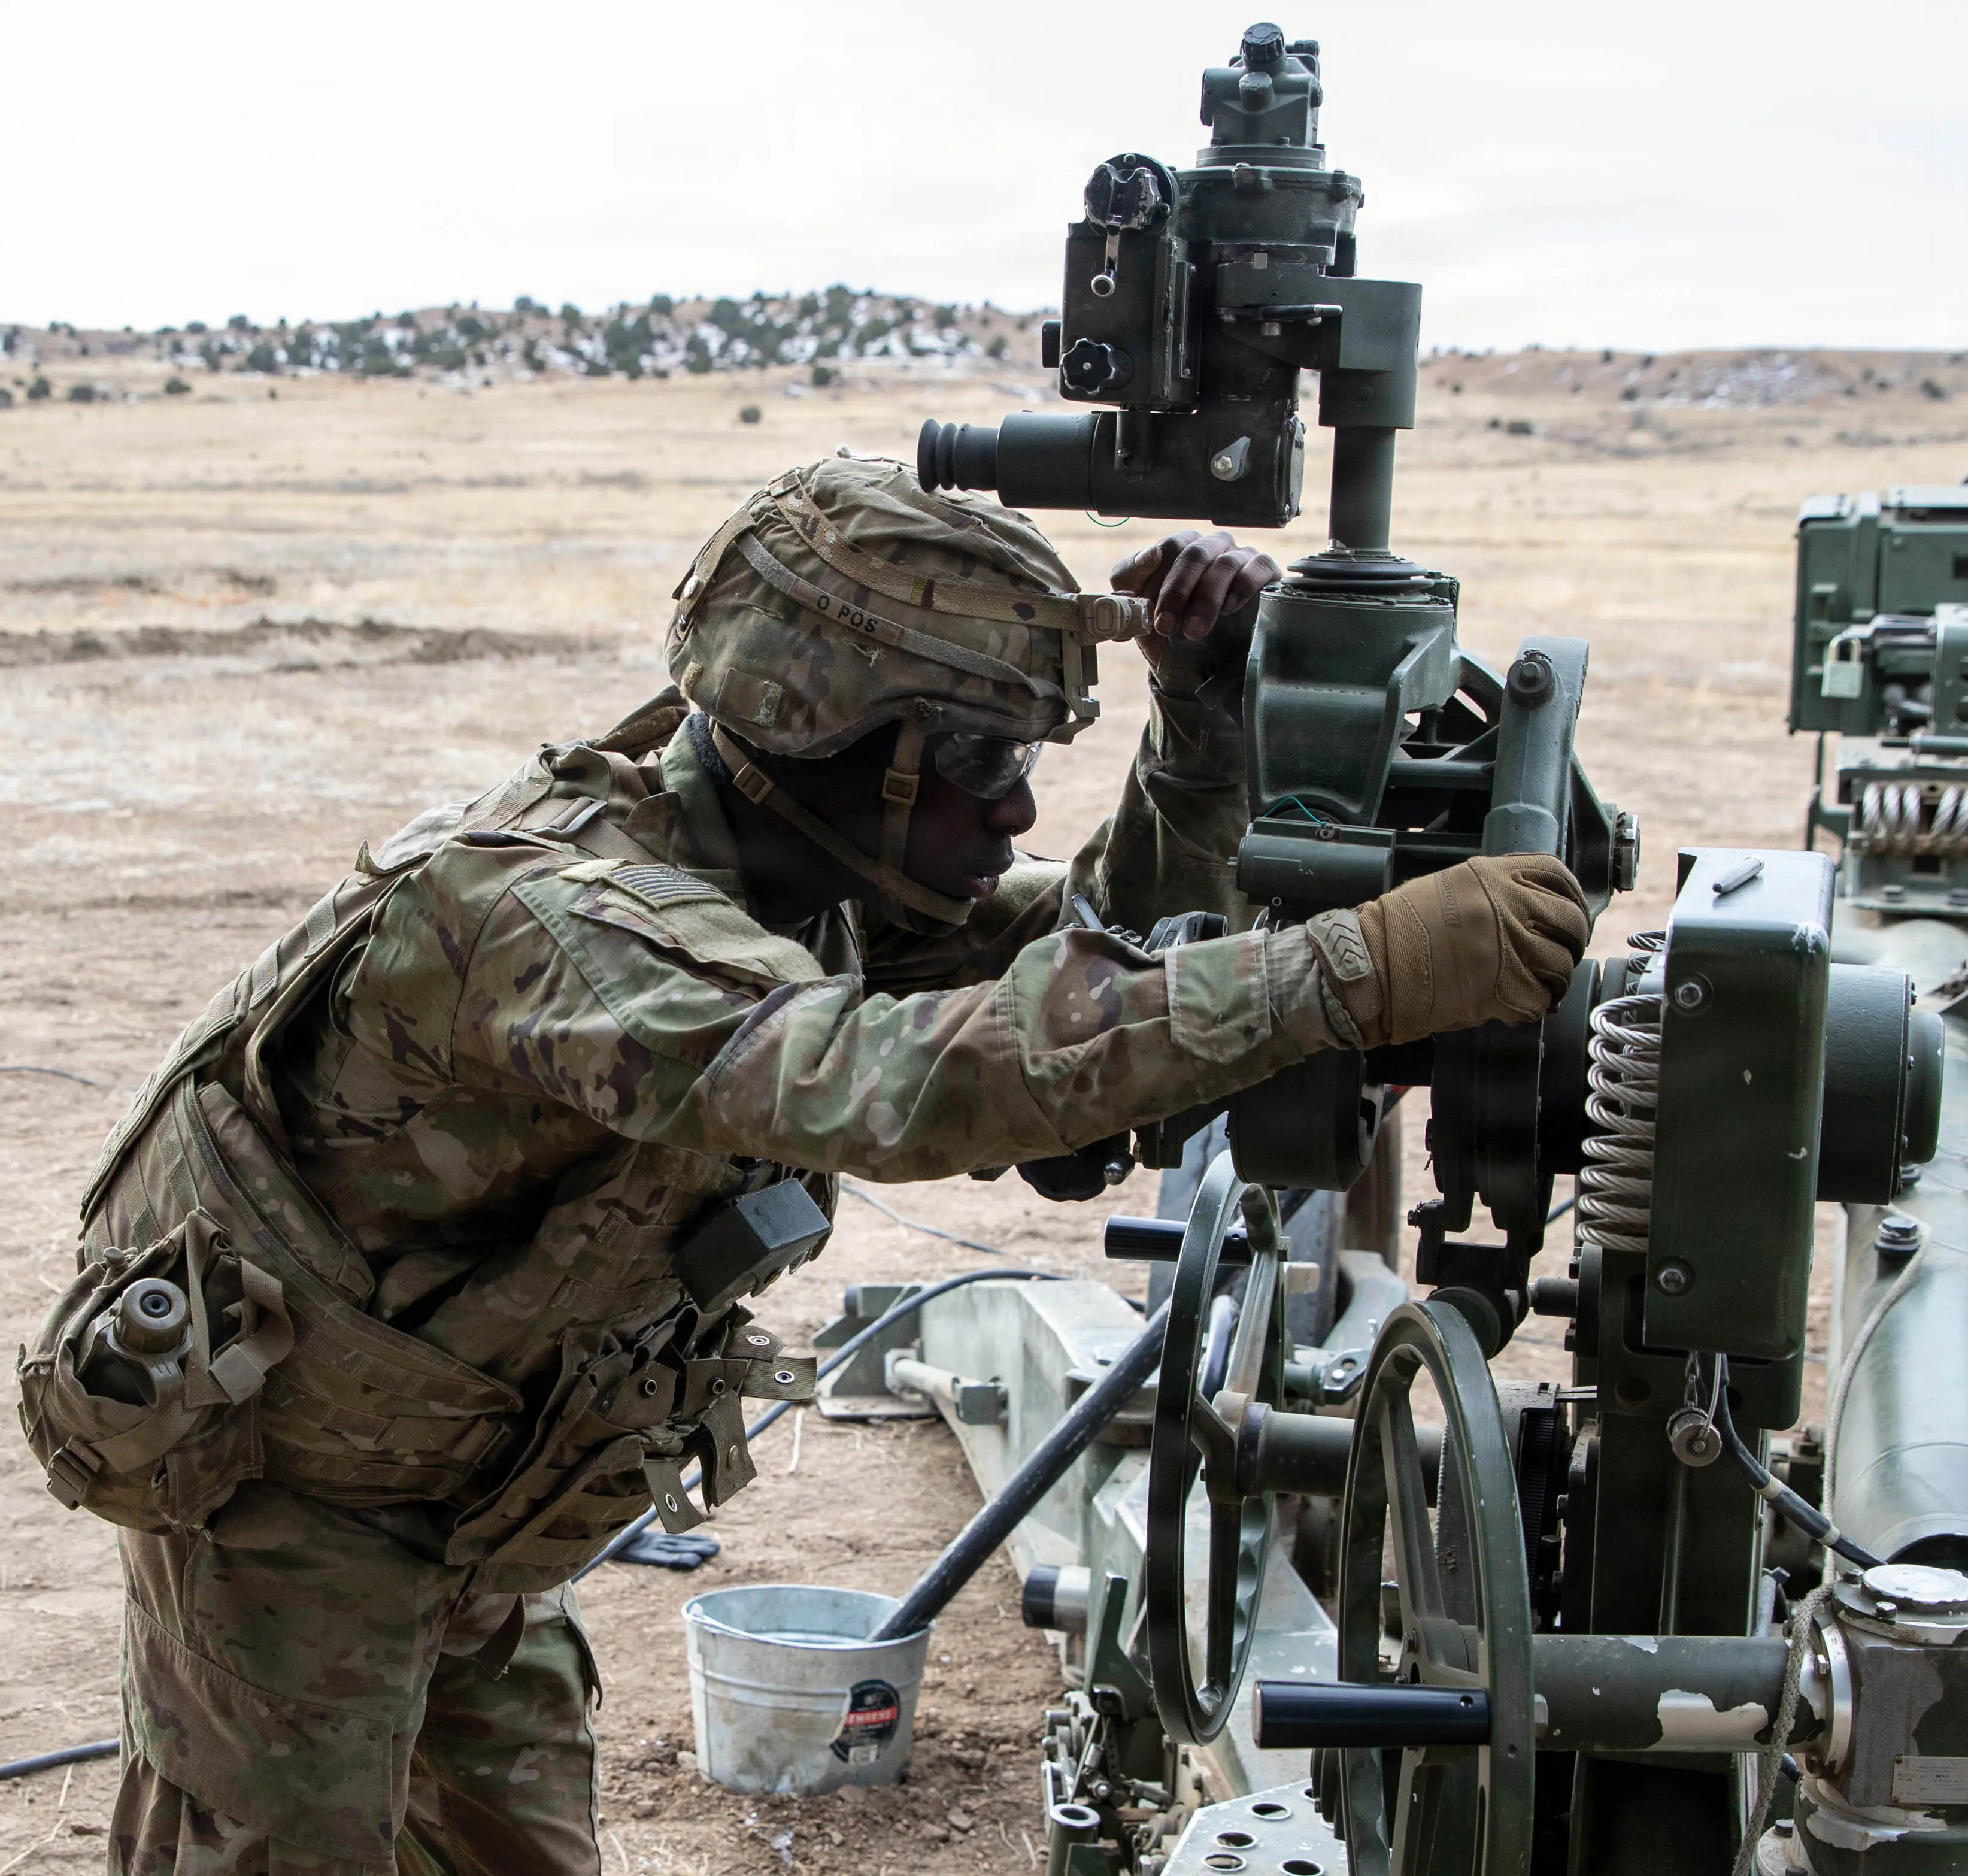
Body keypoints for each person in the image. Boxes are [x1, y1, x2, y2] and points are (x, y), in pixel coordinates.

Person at [19, 456, 1588, 1874]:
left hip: (479, 1496)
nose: (1016, 802)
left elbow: (1085, 968)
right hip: (302, 1507)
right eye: (977, 757)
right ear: (830, 740)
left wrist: (1193, 736)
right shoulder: (544, 922)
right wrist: (1346, 975)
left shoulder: (790, 878)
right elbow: (888, 1082)